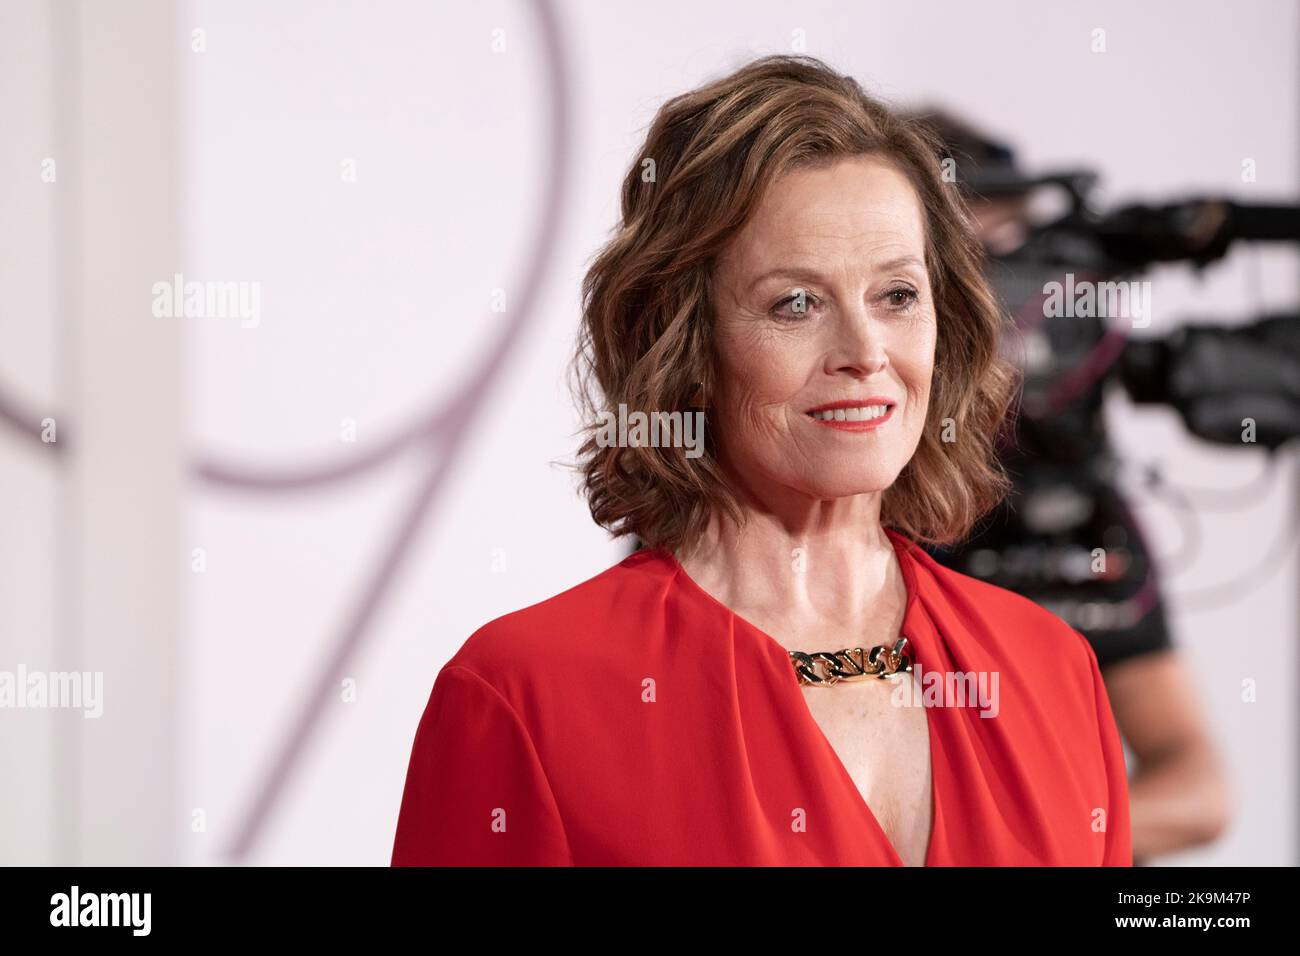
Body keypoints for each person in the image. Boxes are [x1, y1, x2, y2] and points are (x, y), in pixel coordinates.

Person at [391, 54, 1132, 866]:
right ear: (685, 340)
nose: (864, 352)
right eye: (796, 304)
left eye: (897, 295)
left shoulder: (1052, 669)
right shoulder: (525, 697)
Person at [903, 109, 1230, 863]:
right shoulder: (805, 497)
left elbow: (1199, 790)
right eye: (958, 266)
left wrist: (1015, 845)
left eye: (1016, 255)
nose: (1008, 311)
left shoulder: (1077, 508)